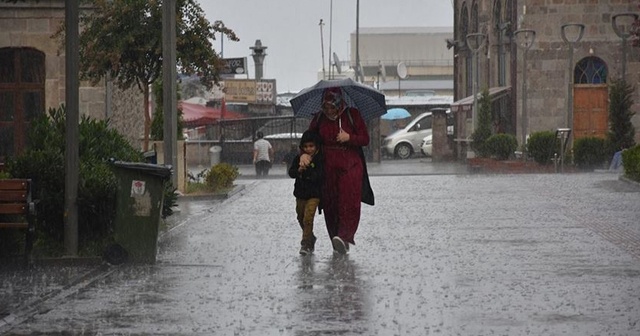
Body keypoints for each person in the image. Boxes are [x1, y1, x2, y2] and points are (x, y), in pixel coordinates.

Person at [298, 87, 374, 255]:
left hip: (350, 166)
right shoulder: (319, 118)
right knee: (331, 204)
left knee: (348, 201)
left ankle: (345, 236)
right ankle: (335, 238)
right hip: (327, 167)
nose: (330, 111)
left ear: (339, 102)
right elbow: (308, 139)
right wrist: (303, 154)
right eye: (326, 107)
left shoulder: (352, 114)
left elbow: (365, 139)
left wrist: (350, 138)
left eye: (333, 107)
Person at [288, 130, 324, 255]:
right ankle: (311, 236)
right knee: (300, 217)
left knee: (308, 218)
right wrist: (299, 170)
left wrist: (308, 170)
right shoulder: (298, 158)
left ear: (316, 146)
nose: (309, 149)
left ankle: (306, 243)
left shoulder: (320, 159)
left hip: (314, 194)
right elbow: (291, 173)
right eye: (306, 146)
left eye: (311, 146)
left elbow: (320, 175)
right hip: (300, 193)